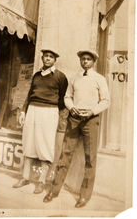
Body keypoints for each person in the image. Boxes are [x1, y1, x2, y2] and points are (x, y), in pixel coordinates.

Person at [43, 50, 110, 208]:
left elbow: (106, 101)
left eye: (88, 59)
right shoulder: (75, 78)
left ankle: (84, 196)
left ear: (93, 61)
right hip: (74, 119)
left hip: (91, 120)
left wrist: (92, 111)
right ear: (80, 61)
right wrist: (72, 108)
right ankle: (54, 189)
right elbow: (67, 97)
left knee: (90, 158)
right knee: (65, 154)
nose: (85, 62)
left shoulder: (99, 79)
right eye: (83, 59)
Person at [13, 49, 68, 194]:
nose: (48, 59)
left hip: (49, 112)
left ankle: (42, 181)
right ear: (42, 57)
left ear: (55, 60)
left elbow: (63, 99)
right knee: (29, 142)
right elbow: (30, 94)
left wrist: (57, 114)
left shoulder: (60, 76)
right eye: (46, 56)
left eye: (51, 57)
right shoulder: (36, 75)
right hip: (32, 110)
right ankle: (25, 177)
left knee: (45, 145)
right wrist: (24, 111)